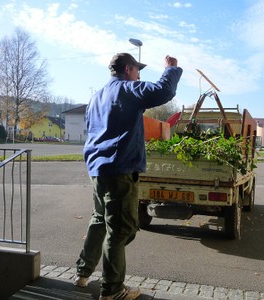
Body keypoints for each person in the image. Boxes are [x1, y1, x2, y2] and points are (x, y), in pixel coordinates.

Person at [74, 52, 183, 300]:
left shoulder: (97, 96)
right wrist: (171, 69)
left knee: (99, 220)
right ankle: (112, 290)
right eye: (137, 70)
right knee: (121, 230)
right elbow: (162, 92)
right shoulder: (126, 89)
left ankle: (83, 273)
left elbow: (93, 130)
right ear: (127, 70)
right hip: (119, 170)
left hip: (98, 169)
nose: (139, 75)